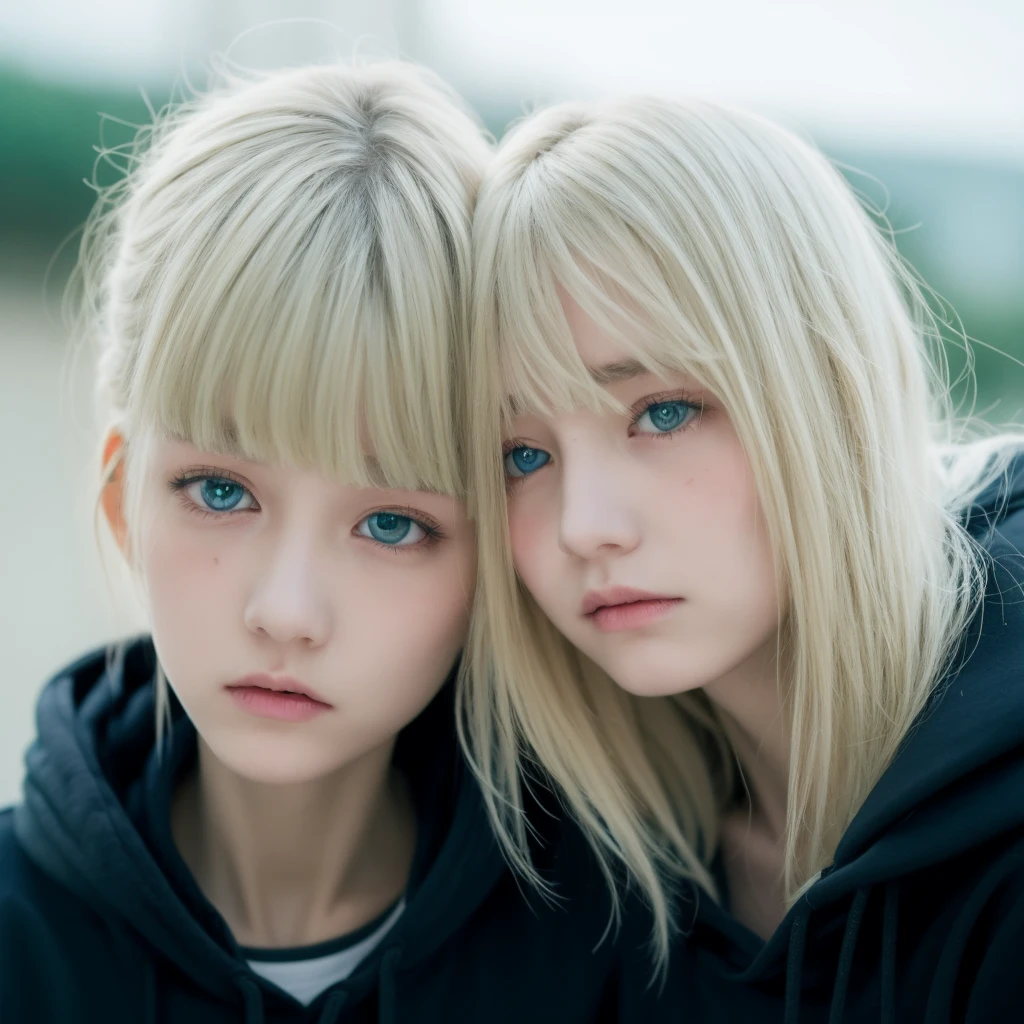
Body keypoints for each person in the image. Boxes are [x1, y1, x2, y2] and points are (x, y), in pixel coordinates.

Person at [0, 63, 623, 1024]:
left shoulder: (618, 952)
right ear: (123, 497)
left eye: (391, 524)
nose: (286, 612)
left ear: (493, 558)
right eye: (219, 491)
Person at [462, 95, 1024, 1022]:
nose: (583, 526)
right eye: (522, 455)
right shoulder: (565, 869)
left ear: (825, 390)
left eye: (663, 412)